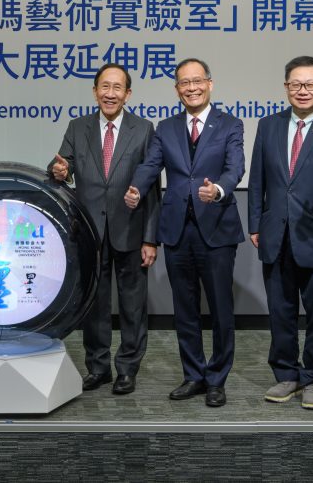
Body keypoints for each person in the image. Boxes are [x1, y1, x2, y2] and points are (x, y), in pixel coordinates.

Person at [126, 57, 244, 407]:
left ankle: (217, 379)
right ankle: (193, 374)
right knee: (184, 308)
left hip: (216, 228)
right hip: (177, 229)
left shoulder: (230, 124)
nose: (191, 88)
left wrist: (218, 190)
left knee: (221, 309)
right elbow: (151, 165)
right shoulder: (166, 127)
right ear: (177, 89)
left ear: (210, 84)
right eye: (184, 83)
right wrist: (136, 188)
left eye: (197, 81)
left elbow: (235, 167)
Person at [246, 56, 313, 410]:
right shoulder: (269, 125)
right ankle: (286, 375)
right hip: (275, 234)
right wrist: (255, 223)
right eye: (296, 84)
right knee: (281, 311)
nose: (303, 90)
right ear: (286, 87)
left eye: (310, 84)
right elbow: (258, 178)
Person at [49, 63, 160, 396]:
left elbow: (153, 188)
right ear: (95, 91)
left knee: (132, 306)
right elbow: (62, 166)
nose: (110, 94)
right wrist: (59, 171)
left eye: (117, 88)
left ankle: (127, 369)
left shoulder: (143, 129)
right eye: (104, 87)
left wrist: (150, 238)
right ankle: (98, 368)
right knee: (94, 305)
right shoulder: (78, 126)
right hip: (90, 233)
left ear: (128, 94)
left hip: (131, 229)